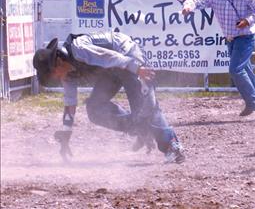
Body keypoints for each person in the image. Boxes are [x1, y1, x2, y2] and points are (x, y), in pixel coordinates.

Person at [32, 31, 185, 164]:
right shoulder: (67, 75)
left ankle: (171, 145)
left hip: (126, 55)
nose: (55, 79)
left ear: (58, 63)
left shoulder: (79, 49)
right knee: (95, 109)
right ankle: (139, 128)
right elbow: (70, 102)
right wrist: (66, 133)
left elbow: (109, 56)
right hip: (111, 69)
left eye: (52, 74)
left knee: (144, 105)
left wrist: (137, 68)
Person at [182, 0, 255, 118]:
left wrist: (248, 20)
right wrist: (188, 6)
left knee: (235, 69)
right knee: (246, 71)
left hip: (245, 38)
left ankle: (253, 102)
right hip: (231, 39)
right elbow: (197, 0)